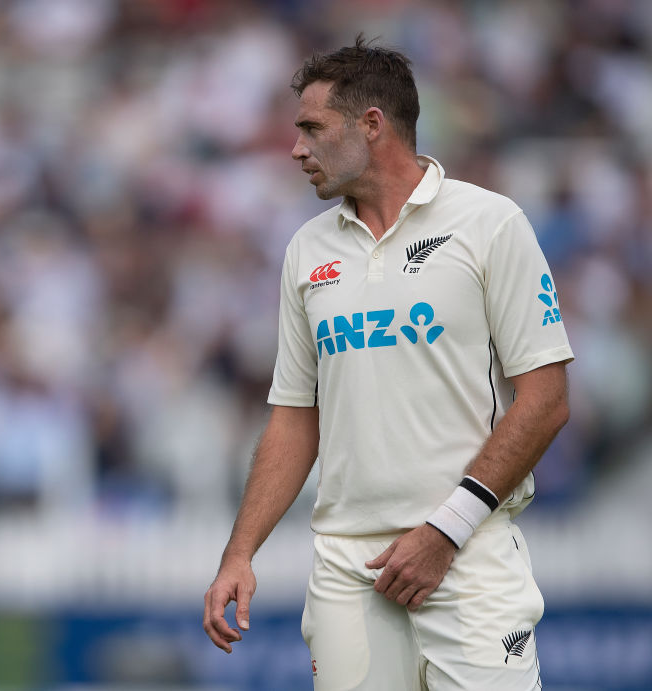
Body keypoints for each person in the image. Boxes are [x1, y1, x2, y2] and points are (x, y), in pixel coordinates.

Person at [203, 36, 573, 690]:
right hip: (348, 569)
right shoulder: (306, 250)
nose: (296, 149)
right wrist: (241, 551)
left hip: (468, 551)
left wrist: (444, 530)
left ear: (372, 125)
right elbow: (294, 419)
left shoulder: (489, 223)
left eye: (312, 129)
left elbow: (546, 399)